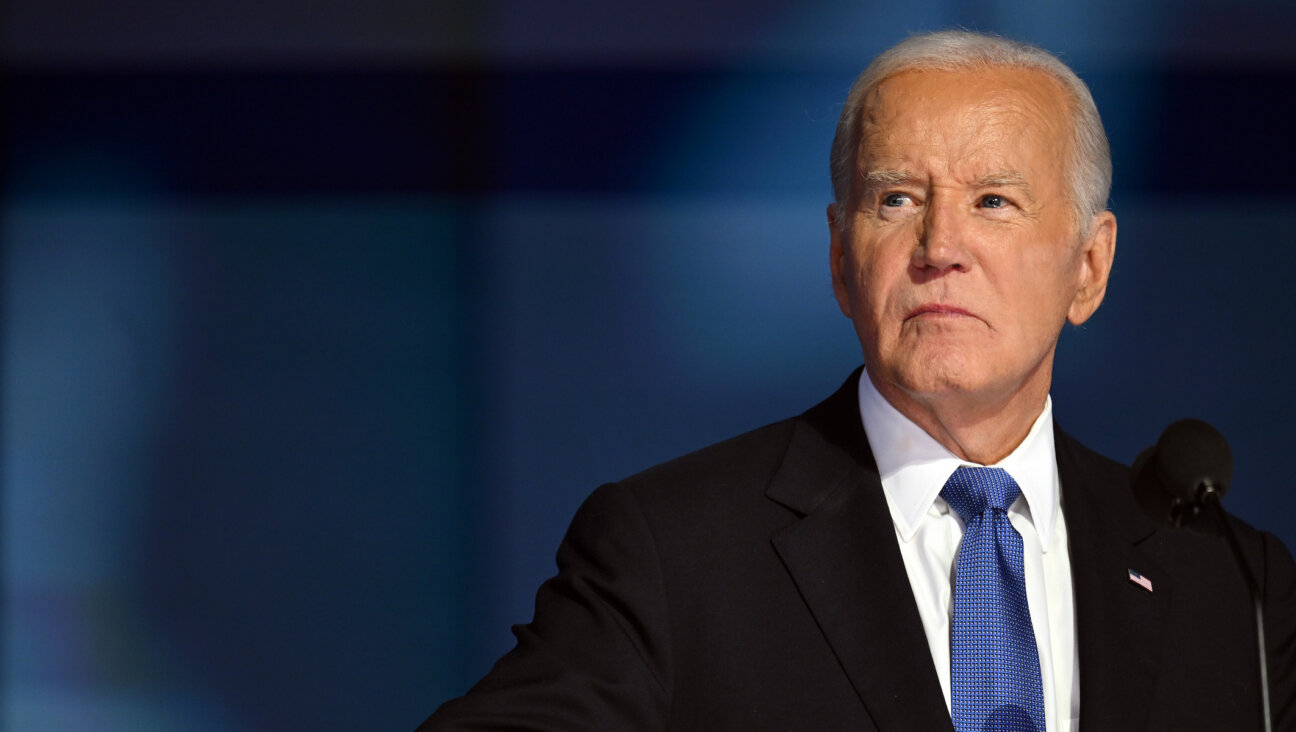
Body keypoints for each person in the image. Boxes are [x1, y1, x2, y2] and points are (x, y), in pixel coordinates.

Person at [419, 30, 1296, 731]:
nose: (939, 247)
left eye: (993, 201)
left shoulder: (1229, 581)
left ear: (1090, 268)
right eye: (897, 200)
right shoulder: (670, 551)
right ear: (842, 261)